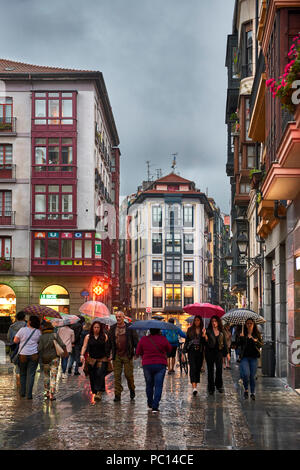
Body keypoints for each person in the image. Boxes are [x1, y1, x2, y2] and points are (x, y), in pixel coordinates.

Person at [136, 328, 172, 412]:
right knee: (158, 385)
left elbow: (138, 352)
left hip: (147, 365)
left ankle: (150, 402)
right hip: (160, 364)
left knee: (149, 385)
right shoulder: (163, 339)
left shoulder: (144, 339)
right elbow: (169, 349)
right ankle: (155, 406)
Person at [108, 311, 139, 402]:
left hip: (127, 354)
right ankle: (117, 395)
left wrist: (136, 352)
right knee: (117, 376)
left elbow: (135, 340)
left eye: (120, 317)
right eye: (117, 317)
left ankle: (132, 389)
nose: (118, 319)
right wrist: (108, 354)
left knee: (128, 374)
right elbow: (110, 342)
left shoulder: (130, 327)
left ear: (123, 317)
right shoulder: (113, 328)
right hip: (116, 355)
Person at [80, 321, 110, 401]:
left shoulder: (104, 336)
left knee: (100, 373)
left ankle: (99, 392)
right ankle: (95, 391)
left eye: (98, 327)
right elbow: (84, 346)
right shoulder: (88, 336)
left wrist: (109, 356)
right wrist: (82, 355)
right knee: (92, 375)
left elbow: (107, 347)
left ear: (100, 328)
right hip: (92, 359)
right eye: (95, 327)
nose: (96, 329)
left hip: (102, 359)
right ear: (92, 328)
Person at [13, 315, 41, 399]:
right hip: (34, 355)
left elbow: (15, 340)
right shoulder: (38, 332)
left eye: (28, 320)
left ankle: (22, 392)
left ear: (30, 322)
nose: (27, 321)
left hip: (23, 354)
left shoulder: (22, 330)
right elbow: (39, 342)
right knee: (31, 374)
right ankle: (29, 394)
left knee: (23, 374)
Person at [38, 321, 67, 400]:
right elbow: (62, 344)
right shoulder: (54, 335)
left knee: (46, 376)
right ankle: (51, 394)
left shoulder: (41, 337)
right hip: (55, 358)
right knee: (53, 376)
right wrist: (65, 352)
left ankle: (46, 392)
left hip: (45, 359)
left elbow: (39, 348)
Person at [203, 315, 230, 395]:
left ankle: (219, 385)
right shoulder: (207, 331)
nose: (214, 323)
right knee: (210, 371)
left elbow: (224, 343)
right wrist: (204, 337)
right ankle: (211, 387)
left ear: (218, 322)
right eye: (212, 321)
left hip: (219, 353)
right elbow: (204, 343)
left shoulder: (222, 332)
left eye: (215, 321)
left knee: (219, 369)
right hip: (209, 352)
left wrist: (227, 354)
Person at [238, 318, 263, 400]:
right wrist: (241, 338)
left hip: (253, 357)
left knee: (252, 376)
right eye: (247, 323)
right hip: (244, 357)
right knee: (246, 374)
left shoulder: (256, 334)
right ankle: (246, 389)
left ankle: (252, 392)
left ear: (253, 324)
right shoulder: (243, 333)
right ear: (245, 324)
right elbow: (238, 345)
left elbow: (260, 345)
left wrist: (255, 340)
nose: (249, 325)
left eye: (250, 323)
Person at [183, 315, 206, 396]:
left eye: (198, 320)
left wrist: (204, 336)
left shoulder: (203, 330)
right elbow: (186, 341)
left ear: (200, 321)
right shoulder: (190, 330)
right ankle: (194, 387)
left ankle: (196, 383)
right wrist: (183, 353)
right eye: (195, 320)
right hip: (191, 351)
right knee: (192, 367)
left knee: (197, 368)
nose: (196, 322)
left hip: (199, 351)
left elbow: (204, 343)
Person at [7, 311, 27, 391]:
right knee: (24, 366)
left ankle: (18, 381)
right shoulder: (26, 325)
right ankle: (24, 383)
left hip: (14, 348)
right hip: (24, 348)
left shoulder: (11, 326)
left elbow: (9, 337)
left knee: (17, 366)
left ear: (17, 318)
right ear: (24, 317)